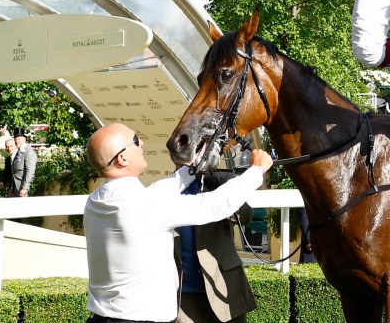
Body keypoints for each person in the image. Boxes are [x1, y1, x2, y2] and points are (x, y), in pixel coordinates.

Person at [84, 123, 273, 323]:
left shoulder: (95, 201)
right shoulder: (146, 205)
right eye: (136, 141)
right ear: (122, 158)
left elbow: (157, 191)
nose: (143, 143)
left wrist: (192, 166)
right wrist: (257, 170)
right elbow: (217, 204)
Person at [176, 171, 256, 323]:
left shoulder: (218, 185)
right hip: (185, 297)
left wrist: (224, 184)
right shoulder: (166, 190)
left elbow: (246, 215)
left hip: (224, 289)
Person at [9, 128, 37, 197]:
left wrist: (25, 188)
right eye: (15, 139)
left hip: (23, 188)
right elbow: (15, 172)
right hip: (16, 188)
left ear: (24, 139)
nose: (16, 141)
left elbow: (30, 171)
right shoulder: (18, 152)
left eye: (19, 139)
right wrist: (12, 187)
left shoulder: (29, 152)